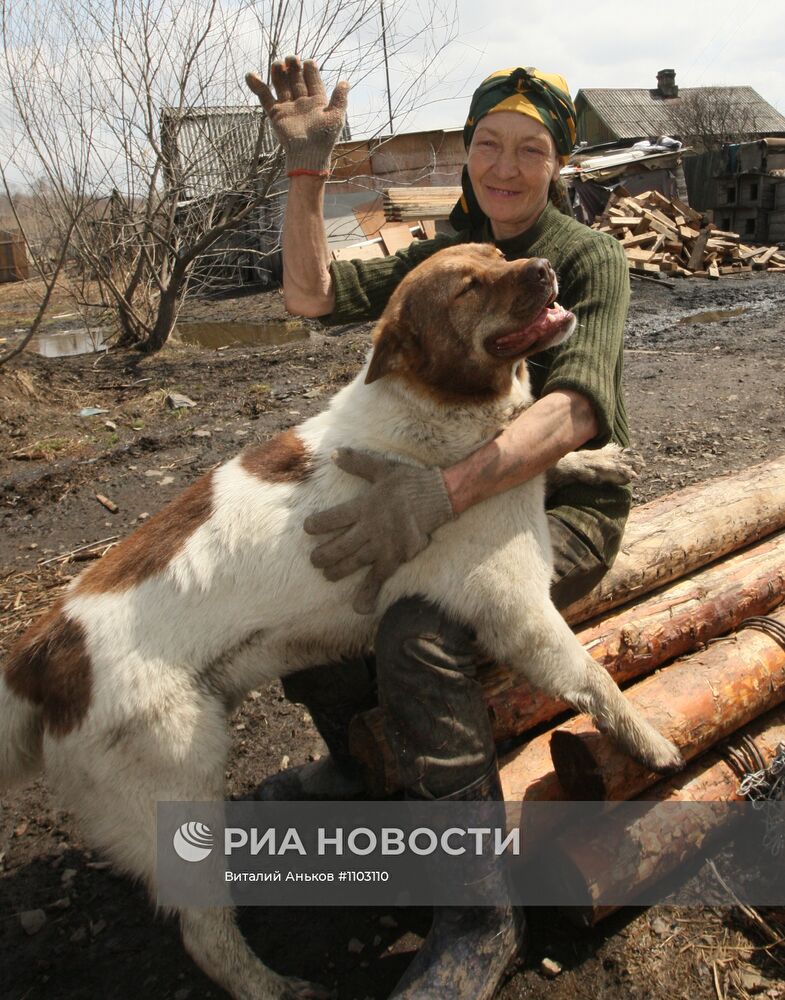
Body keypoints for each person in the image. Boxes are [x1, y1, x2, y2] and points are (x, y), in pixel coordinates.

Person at [246, 57, 631, 1000]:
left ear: (556, 163)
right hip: (444, 494)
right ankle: (355, 767)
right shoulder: (448, 254)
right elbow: (308, 296)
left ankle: (475, 913)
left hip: (556, 508)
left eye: (530, 150)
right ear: (466, 155)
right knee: (310, 571)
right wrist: (306, 174)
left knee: (418, 628)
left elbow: (575, 413)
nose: (505, 166)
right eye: (488, 145)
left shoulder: (583, 255)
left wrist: (438, 497)